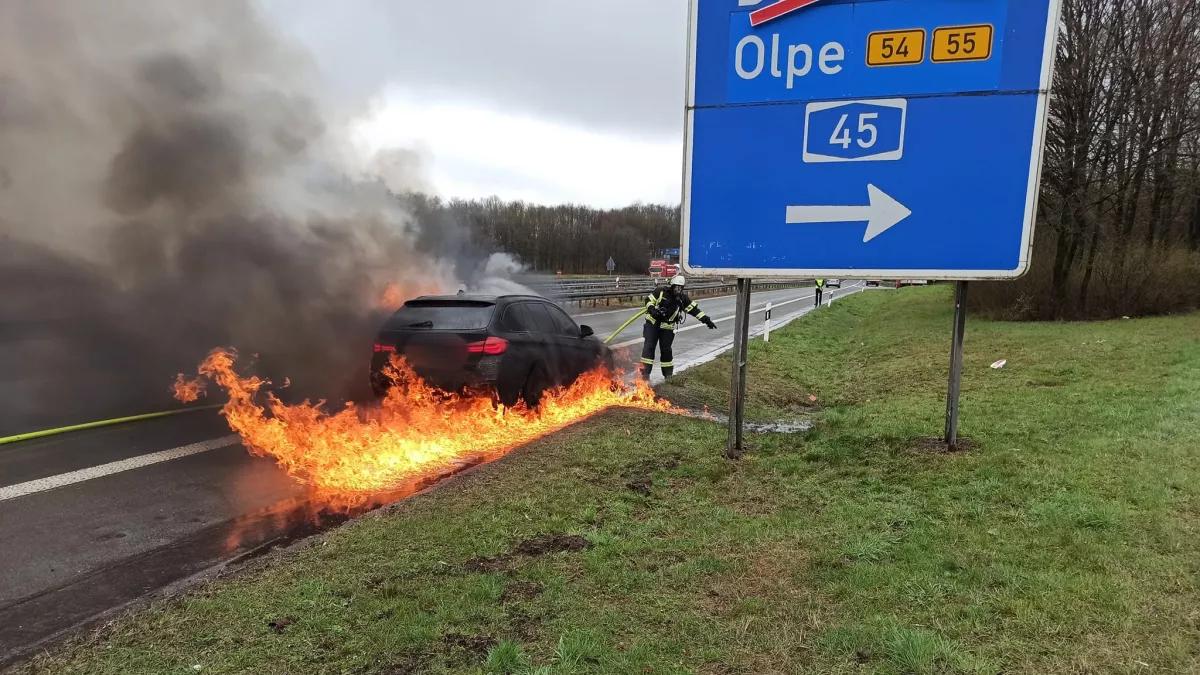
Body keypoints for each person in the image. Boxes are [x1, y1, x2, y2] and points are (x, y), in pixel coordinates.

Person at [641, 275, 716, 378]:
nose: (678, 289)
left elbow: (694, 310)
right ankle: (645, 375)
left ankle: (668, 375)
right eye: (676, 287)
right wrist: (652, 310)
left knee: (666, 351)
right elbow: (648, 300)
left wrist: (706, 320)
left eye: (681, 288)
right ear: (672, 286)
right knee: (649, 348)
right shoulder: (660, 291)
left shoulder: (682, 299)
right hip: (652, 325)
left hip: (667, 328)